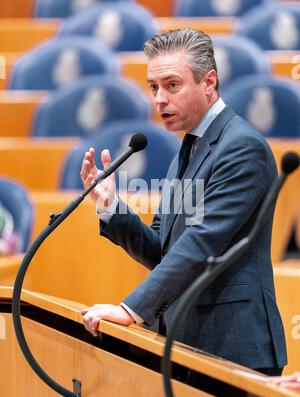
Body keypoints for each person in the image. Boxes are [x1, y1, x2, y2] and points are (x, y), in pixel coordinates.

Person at [80, 29, 287, 376]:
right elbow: (163, 249)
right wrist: (111, 207)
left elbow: (201, 243)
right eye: (153, 87)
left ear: (208, 83)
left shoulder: (241, 148)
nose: (159, 98)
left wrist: (131, 309)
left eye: (171, 85)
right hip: (186, 343)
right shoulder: (189, 149)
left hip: (233, 347)